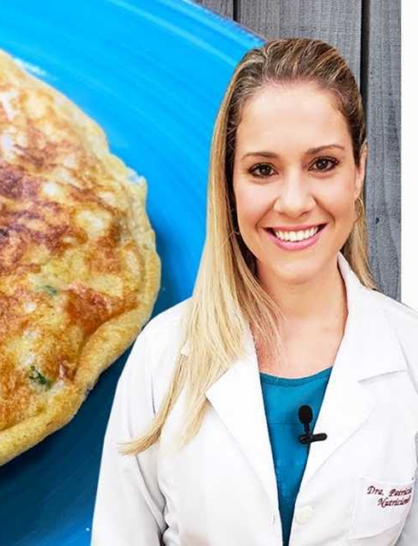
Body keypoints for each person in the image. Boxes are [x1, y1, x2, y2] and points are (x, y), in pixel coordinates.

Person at [91, 38, 416, 545]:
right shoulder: (162, 354)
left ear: (359, 171)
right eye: (263, 170)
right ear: (230, 183)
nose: (293, 202)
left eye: (323, 164)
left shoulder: (410, 355)